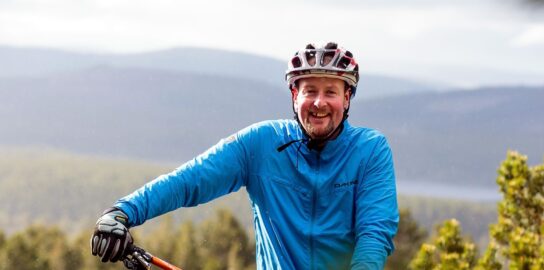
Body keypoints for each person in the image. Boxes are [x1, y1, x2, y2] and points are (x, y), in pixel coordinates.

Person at [91, 42, 399, 269]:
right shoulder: (260, 144)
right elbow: (190, 180)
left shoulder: (370, 150)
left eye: (330, 91)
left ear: (347, 98)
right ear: (295, 96)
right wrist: (121, 212)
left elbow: (374, 235)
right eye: (309, 91)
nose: (319, 102)